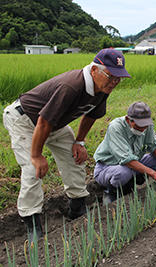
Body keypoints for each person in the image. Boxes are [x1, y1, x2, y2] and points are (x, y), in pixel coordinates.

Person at [2, 48, 131, 241]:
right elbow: (43, 122)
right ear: (94, 70)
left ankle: (77, 207)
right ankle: (32, 222)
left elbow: (91, 115)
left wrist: (79, 141)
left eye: (118, 78)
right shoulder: (71, 86)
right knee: (32, 169)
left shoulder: (102, 88)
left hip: (55, 122)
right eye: (111, 76)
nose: (114, 82)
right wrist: (37, 156)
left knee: (75, 159)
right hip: (25, 119)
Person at [94, 102, 156, 205]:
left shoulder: (146, 125)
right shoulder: (116, 127)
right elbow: (127, 160)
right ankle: (111, 192)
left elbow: (153, 145)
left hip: (133, 162)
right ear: (128, 120)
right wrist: (153, 173)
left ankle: (136, 182)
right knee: (123, 173)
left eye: (145, 125)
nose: (143, 128)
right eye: (139, 125)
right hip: (108, 167)